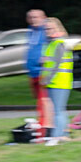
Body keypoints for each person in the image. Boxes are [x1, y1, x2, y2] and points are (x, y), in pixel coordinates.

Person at [41, 18, 73, 146]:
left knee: (58, 111)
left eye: (50, 28)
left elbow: (56, 65)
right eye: (46, 29)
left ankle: (56, 136)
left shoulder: (59, 43)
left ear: (58, 28)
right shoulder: (52, 43)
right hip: (56, 82)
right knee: (60, 110)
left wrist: (46, 79)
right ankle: (63, 135)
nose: (48, 31)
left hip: (59, 82)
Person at [25, 9, 51, 139]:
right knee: (38, 100)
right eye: (30, 17)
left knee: (43, 101)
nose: (33, 19)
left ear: (43, 18)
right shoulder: (30, 32)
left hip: (43, 71)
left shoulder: (47, 30)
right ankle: (43, 123)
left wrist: (48, 59)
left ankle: (44, 126)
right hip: (32, 72)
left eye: (36, 17)